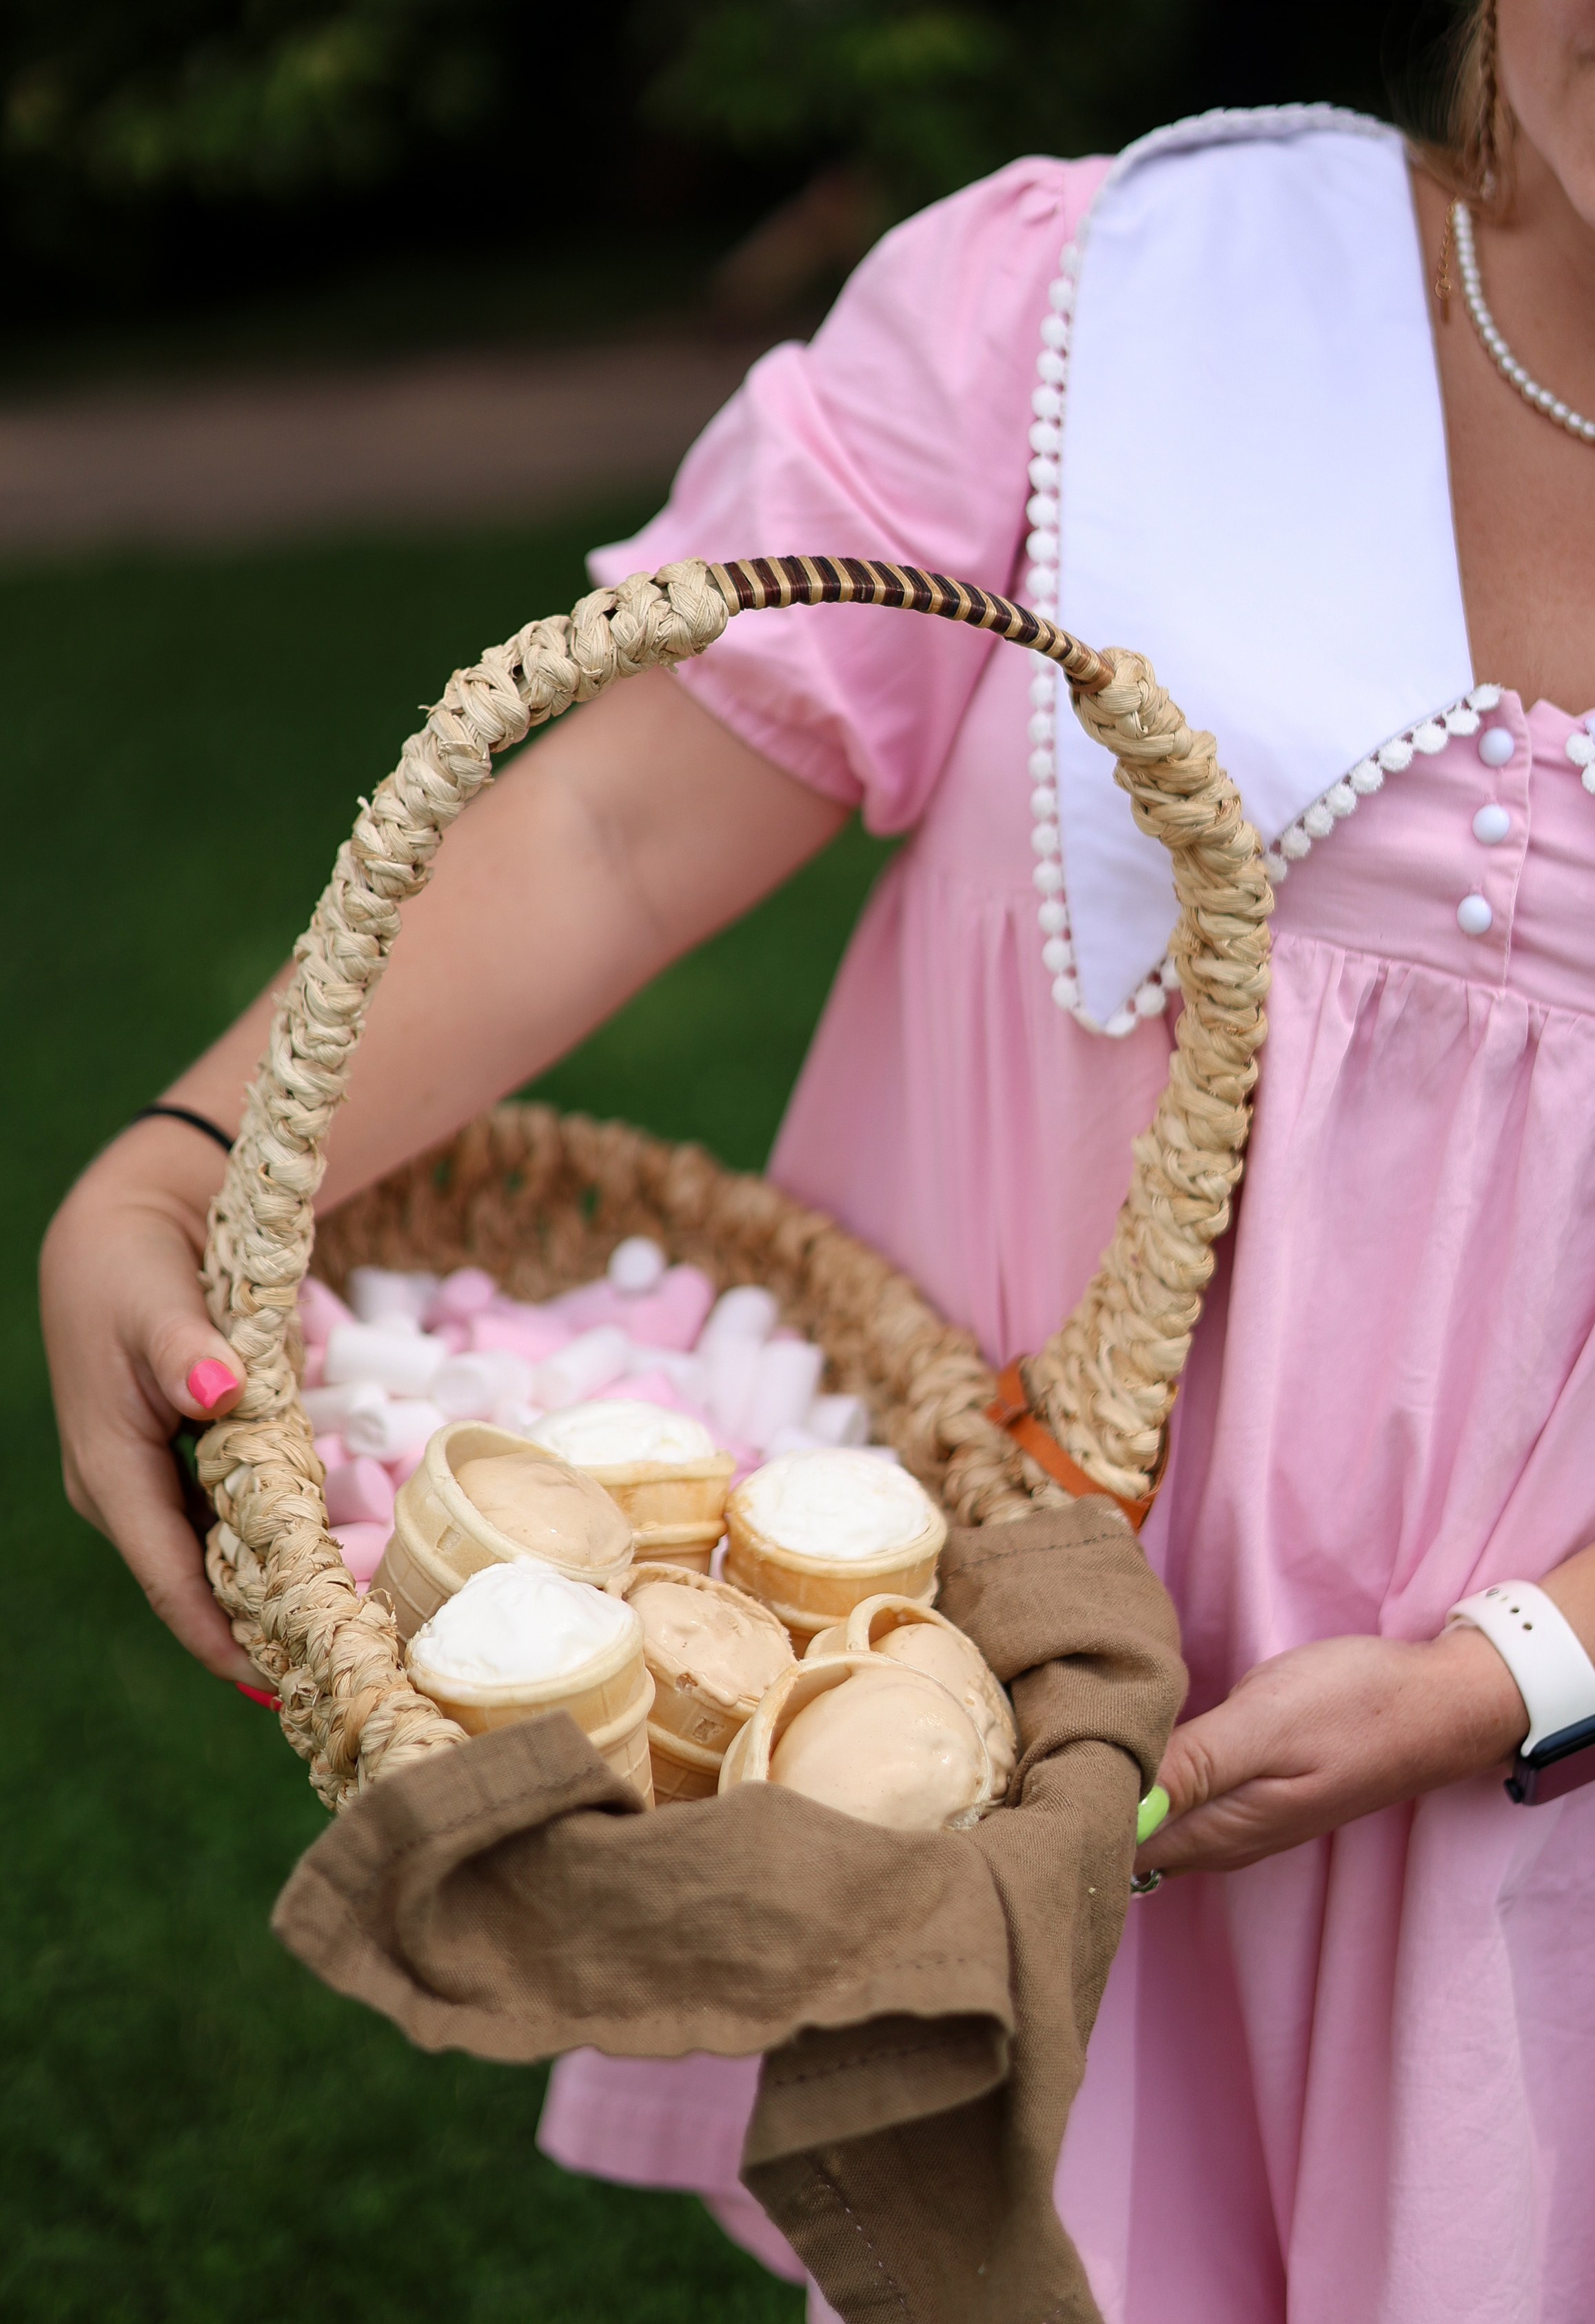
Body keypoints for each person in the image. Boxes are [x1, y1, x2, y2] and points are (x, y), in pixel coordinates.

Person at [40, 4, 1595, 2317]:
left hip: (1525, 1819)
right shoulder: (1103, 307)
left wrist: (1517, 1668)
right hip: (993, 1661)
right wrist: (187, 1157)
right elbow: (615, 818)